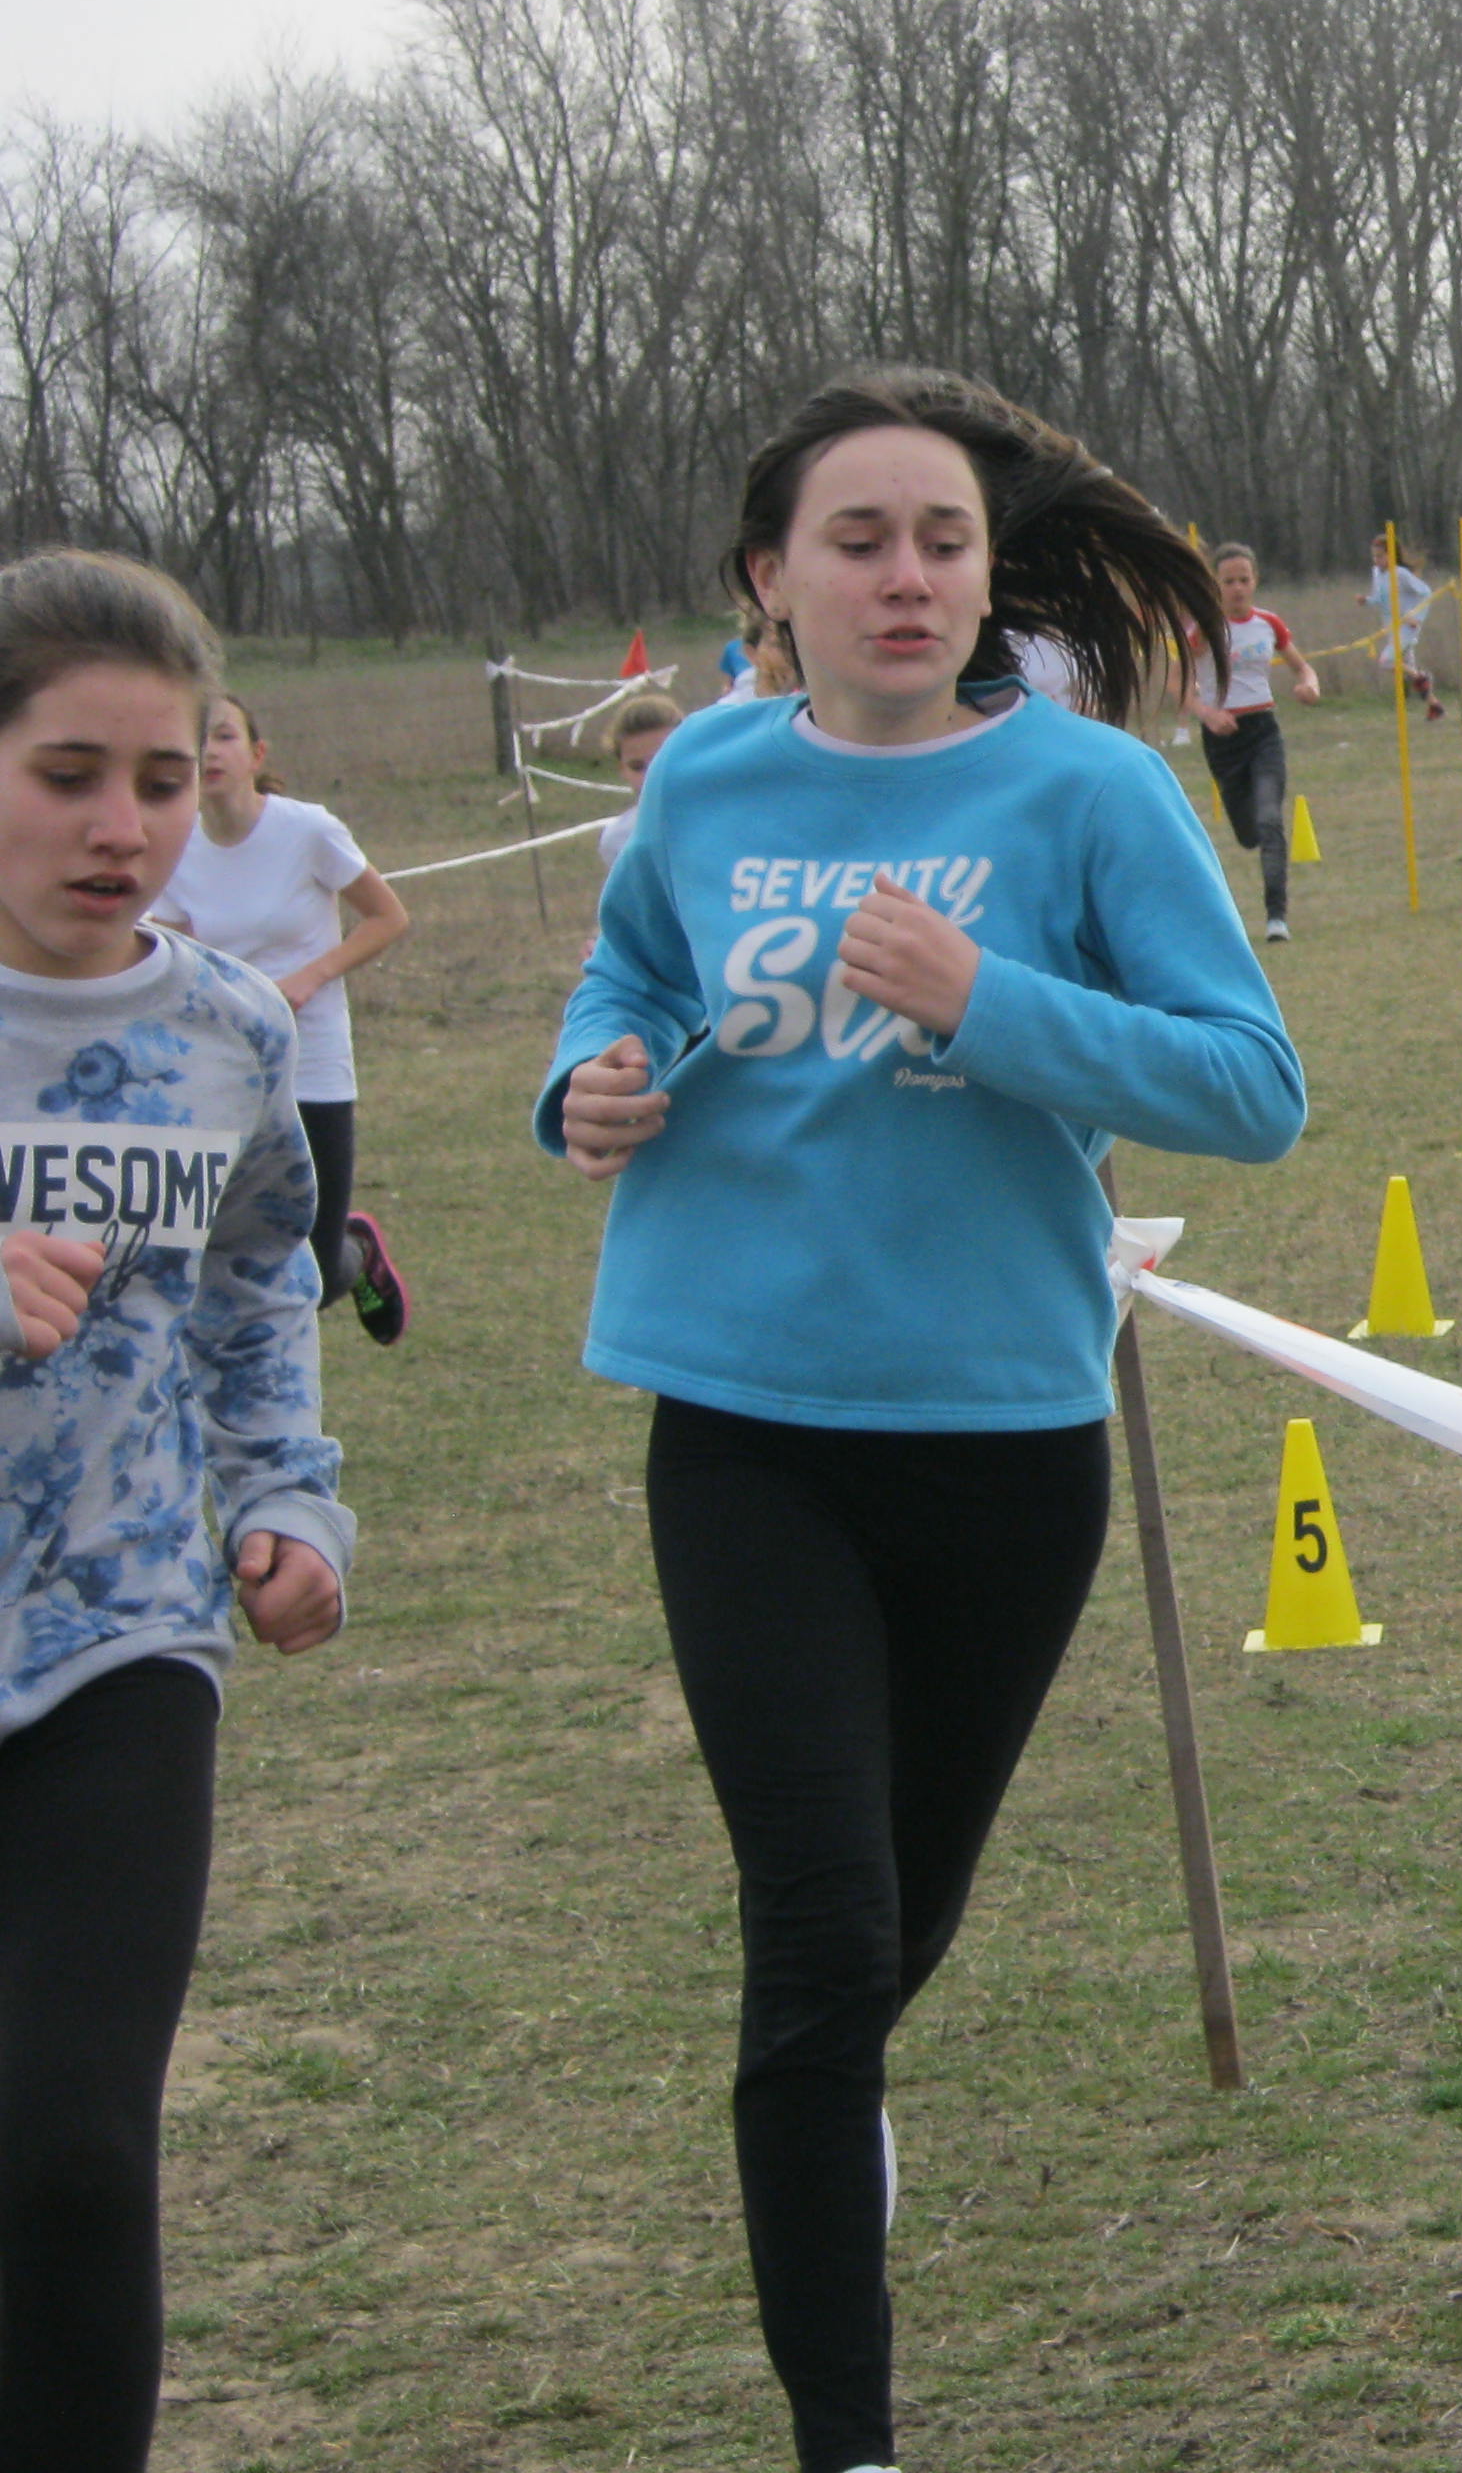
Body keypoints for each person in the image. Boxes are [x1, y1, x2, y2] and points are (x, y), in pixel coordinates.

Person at [540, 369, 1304, 2473]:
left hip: (1002, 1444)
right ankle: (847, 2440)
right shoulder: (705, 778)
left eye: (943, 542)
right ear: (767, 577)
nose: (905, 576)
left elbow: (1252, 1087)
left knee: (889, 1934)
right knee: (818, 1933)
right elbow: (627, 984)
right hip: (744, 1426)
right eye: (858, 541)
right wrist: (586, 1080)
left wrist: (992, 1002)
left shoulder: (1090, 796)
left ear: (985, 577)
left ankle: (831, 2093)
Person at [0, 547, 350, 2473]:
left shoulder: (229, 1028)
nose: (121, 825)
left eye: (160, 777)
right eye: (68, 774)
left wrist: (290, 1490)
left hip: (118, 1633)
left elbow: (257, 1280)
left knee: (72, 2149)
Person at [151, 694, 415, 1345]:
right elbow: (176, 951)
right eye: (197, 739)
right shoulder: (175, 843)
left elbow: (388, 917)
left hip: (313, 1056)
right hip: (225, 1062)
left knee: (316, 1273)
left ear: (257, 754)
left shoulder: (307, 830)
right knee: (225, 1241)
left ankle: (355, 1250)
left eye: (224, 736)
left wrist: (311, 976)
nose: (209, 751)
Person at [1182, 543, 1320, 942]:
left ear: (1255, 581)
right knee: (1248, 833)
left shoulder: (1268, 624)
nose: (1238, 588)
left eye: (1244, 580)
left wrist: (1309, 685)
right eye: (1229, 582)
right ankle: (1257, 840)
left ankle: (1277, 917)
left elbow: (1303, 667)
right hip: (1223, 740)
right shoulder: (1203, 630)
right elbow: (1178, 685)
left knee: (1270, 819)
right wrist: (1207, 713)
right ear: (1216, 585)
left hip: (1263, 731)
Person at [593, 690, 685, 875]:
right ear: (622, 769)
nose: (650, 777)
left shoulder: (726, 817)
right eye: (637, 767)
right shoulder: (618, 840)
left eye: (661, 761)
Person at [1362, 535, 1444, 720]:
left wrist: (1416, 617)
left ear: (1391, 555)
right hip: (1391, 627)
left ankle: (1422, 677)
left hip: (1407, 627)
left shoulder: (1401, 574)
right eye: (1374, 556)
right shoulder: (1377, 573)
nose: (1377, 560)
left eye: (1380, 556)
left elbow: (1426, 593)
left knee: (1386, 661)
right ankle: (1435, 706)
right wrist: (1366, 600)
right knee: (1408, 669)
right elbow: (1378, 598)